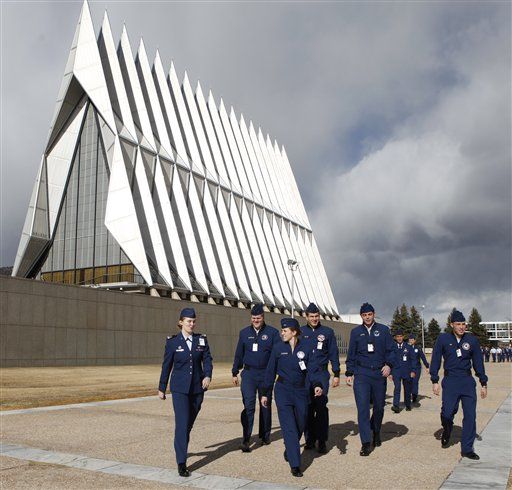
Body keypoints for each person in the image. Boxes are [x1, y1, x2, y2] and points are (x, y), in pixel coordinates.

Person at [261, 318, 322, 477]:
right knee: (288, 427)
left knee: (300, 424)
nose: (282, 333)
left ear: (294, 332)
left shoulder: (307, 347)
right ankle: (295, 464)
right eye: (282, 330)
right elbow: (270, 372)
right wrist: (264, 393)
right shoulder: (277, 348)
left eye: (285, 330)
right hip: (283, 390)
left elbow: (313, 370)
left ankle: (290, 448)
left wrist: (317, 385)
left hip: (301, 391)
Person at [158, 308, 213, 477]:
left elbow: (208, 360)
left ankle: (181, 445)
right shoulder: (173, 342)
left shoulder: (201, 340)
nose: (192, 324)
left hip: (198, 388)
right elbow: (166, 365)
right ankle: (181, 462)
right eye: (189, 321)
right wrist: (162, 387)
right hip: (180, 389)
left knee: (188, 424)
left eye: (194, 321)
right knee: (182, 424)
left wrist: (208, 375)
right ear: (181, 322)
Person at [430, 309, 488, 459]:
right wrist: (434, 380)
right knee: (448, 413)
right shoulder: (443, 339)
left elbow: (478, 363)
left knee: (470, 415)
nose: (462, 327)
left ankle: (467, 448)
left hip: (467, 382)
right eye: (458, 324)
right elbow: (436, 359)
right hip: (450, 382)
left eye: (463, 323)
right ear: (452, 325)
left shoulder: (472, 340)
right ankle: (447, 428)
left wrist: (483, 382)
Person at [345, 303, 396, 456]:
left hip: (379, 374)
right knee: (363, 408)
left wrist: (389, 365)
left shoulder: (384, 330)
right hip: (361, 373)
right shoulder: (356, 332)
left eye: (369, 314)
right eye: (364, 315)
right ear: (361, 316)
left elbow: (391, 351)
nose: (367, 317)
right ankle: (366, 442)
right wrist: (349, 373)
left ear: (374, 314)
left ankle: (376, 431)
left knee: (379, 407)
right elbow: (351, 354)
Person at [232, 304, 280, 452]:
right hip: (249, 374)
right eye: (253, 318)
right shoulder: (244, 333)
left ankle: (265, 435)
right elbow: (239, 354)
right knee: (249, 406)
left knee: (265, 405)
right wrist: (235, 371)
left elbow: (277, 355)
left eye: (258, 318)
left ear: (263, 317)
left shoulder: (272, 333)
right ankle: (246, 439)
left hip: (266, 374)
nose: (256, 321)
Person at [300, 302, 340, 454]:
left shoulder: (327, 332)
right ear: (306, 317)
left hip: (321, 374)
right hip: (305, 375)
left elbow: (333, 353)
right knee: (307, 408)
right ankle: (309, 438)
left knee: (321, 406)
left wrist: (336, 374)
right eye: (312, 316)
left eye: (316, 316)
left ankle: (322, 440)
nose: (314, 319)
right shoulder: (300, 332)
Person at [391, 330, 416, 412]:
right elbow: (389, 359)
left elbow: (413, 359)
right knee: (397, 388)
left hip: (407, 371)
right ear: (395, 338)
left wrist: (413, 370)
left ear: (403, 337)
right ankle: (396, 406)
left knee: (407, 389)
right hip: (396, 371)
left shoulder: (408, 347)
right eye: (397, 337)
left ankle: (408, 404)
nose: (399, 338)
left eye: (400, 336)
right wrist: (390, 373)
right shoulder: (392, 347)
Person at [408, 334, 429, 404]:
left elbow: (423, 357)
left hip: (417, 368)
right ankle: (409, 394)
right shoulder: (406, 348)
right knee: (409, 382)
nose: (411, 341)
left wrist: (427, 366)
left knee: (415, 382)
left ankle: (414, 396)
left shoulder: (418, 348)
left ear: (415, 341)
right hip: (408, 368)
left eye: (412, 340)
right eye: (410, 339)